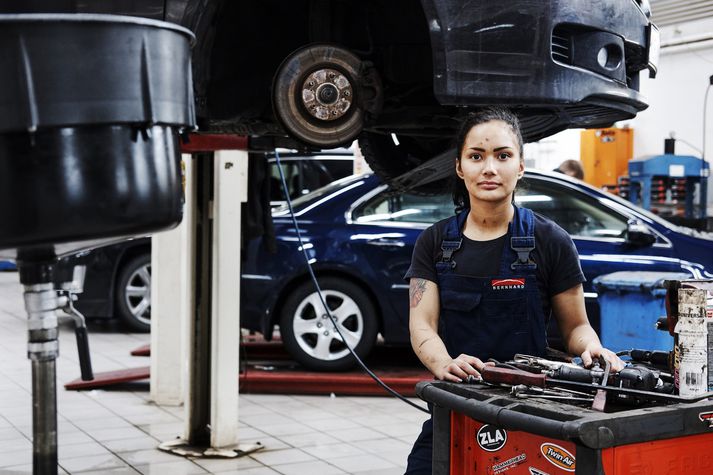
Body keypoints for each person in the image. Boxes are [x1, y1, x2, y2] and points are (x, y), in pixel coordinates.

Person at [403, 107, 623, 474]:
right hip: (459, 405)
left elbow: (575, 329)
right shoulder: (435, 242)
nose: (489, 168)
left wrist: (593, 348)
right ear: (459, 167)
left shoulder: (550, 240)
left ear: (520, 165)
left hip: (533, 411)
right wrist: (445, 363)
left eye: (503, 156)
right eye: (476, 156)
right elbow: (421, 325)